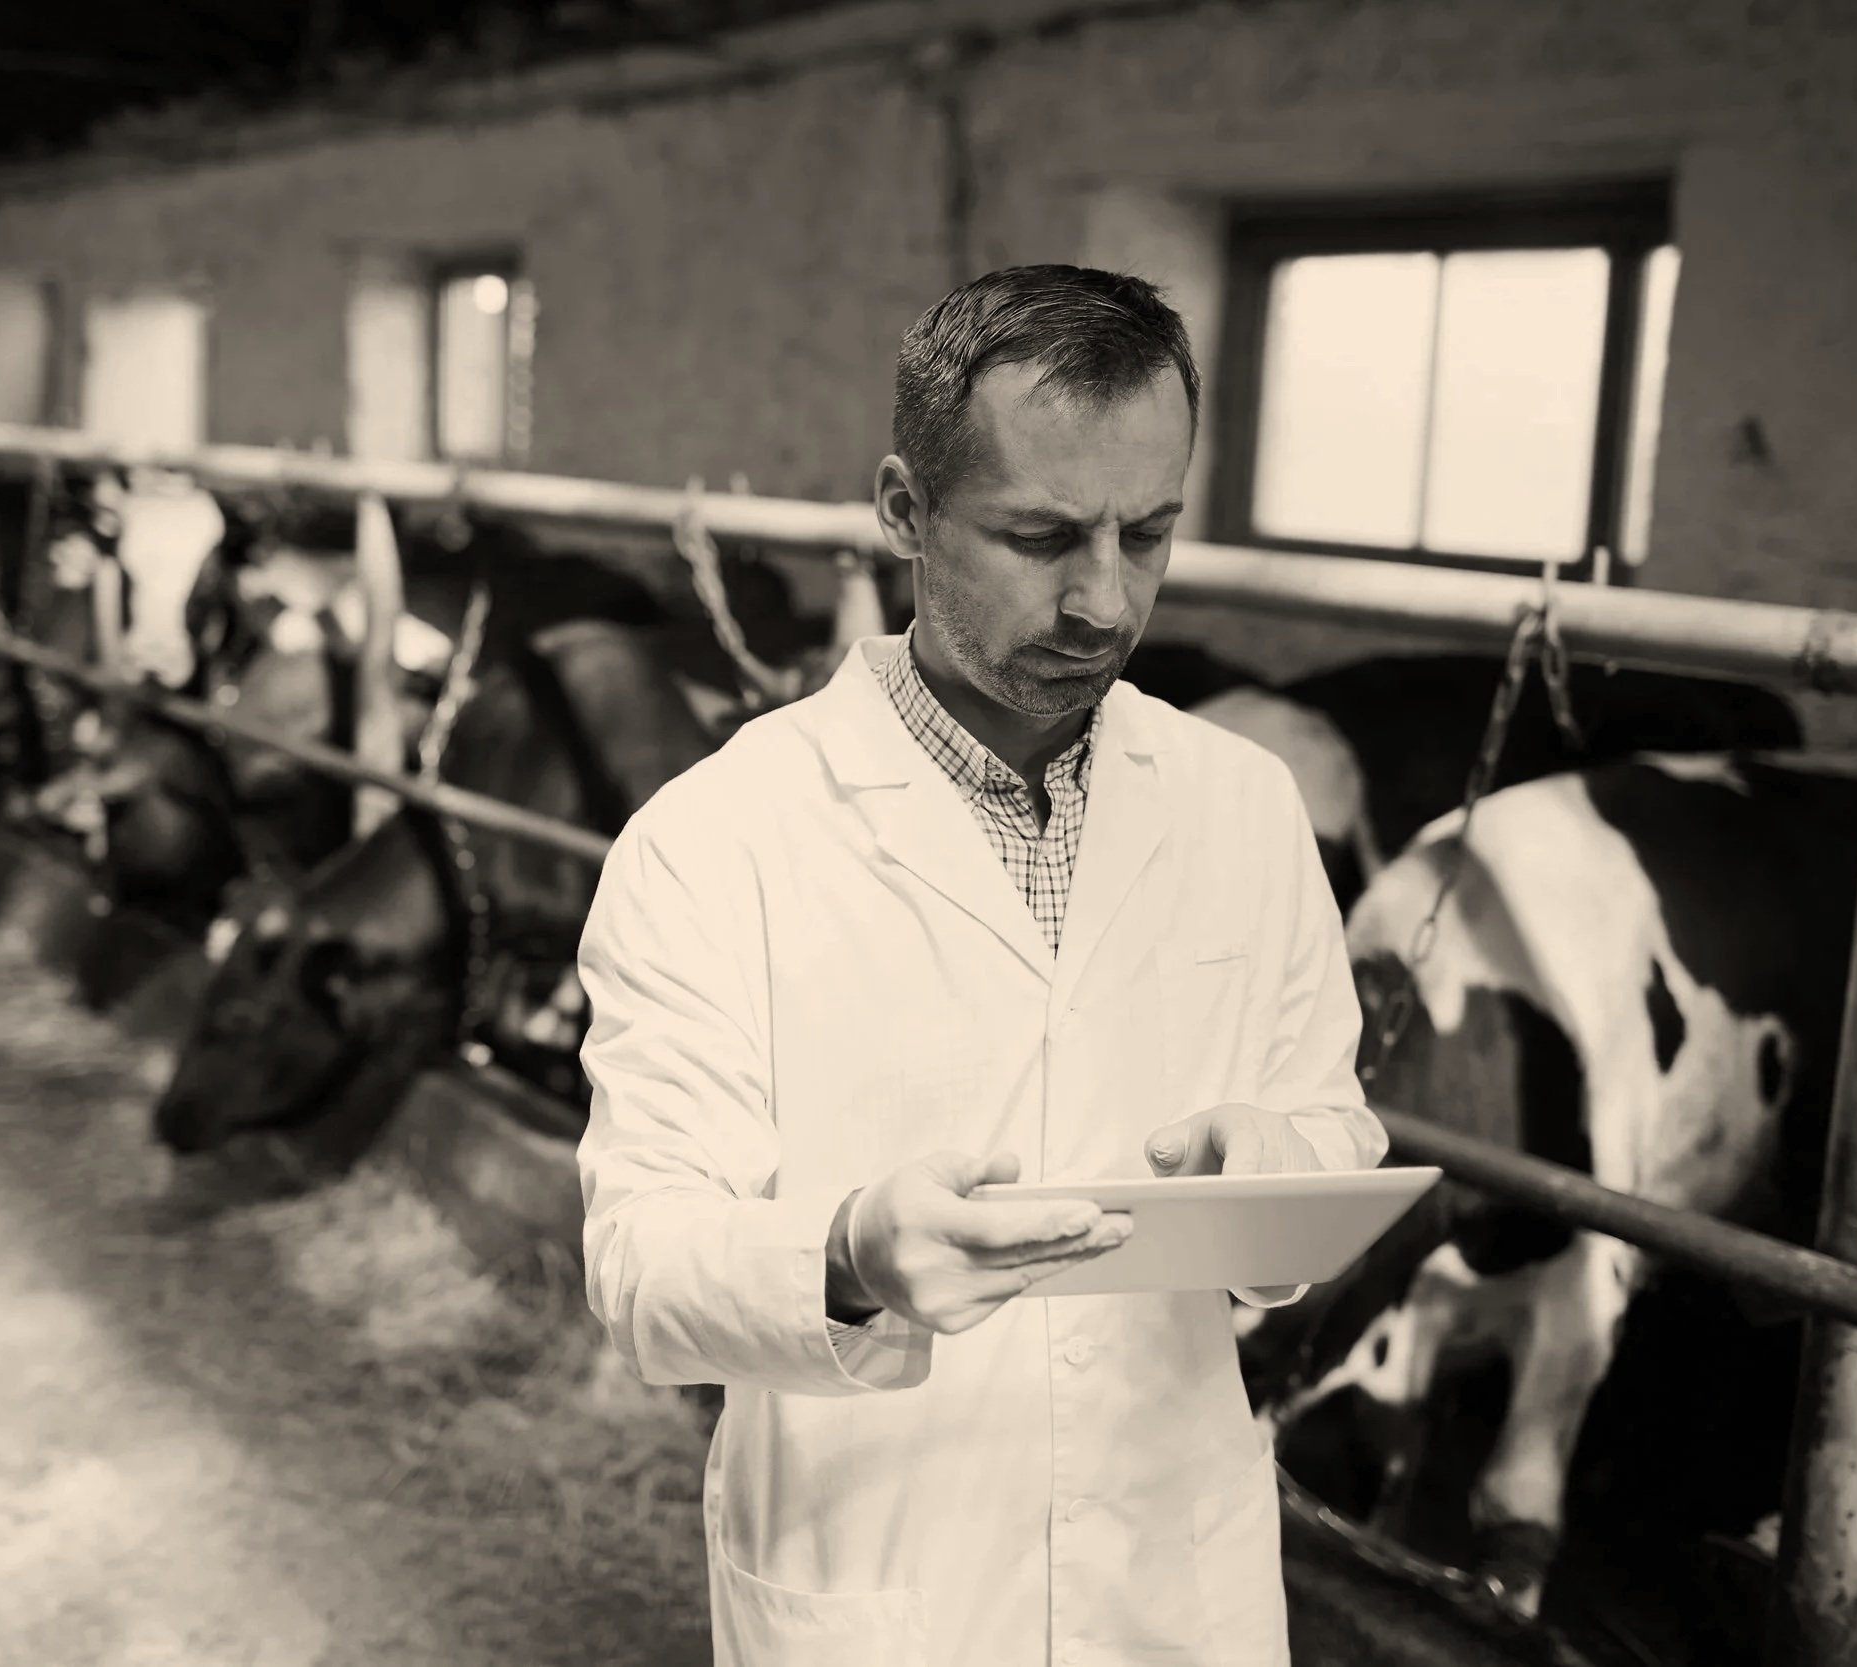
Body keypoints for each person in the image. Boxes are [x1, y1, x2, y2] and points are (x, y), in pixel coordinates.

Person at [574, 264, 1388, 1667]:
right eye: (1040, 536)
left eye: (1150, 533)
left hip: (1173, 1578)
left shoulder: (1244, 806)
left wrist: (1273, 1166)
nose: (1104, 599)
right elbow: (642, 1262)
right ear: (904, 511)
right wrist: (845, 1257)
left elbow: (1334, 1119)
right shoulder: (715, 840)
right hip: (881, 1583)